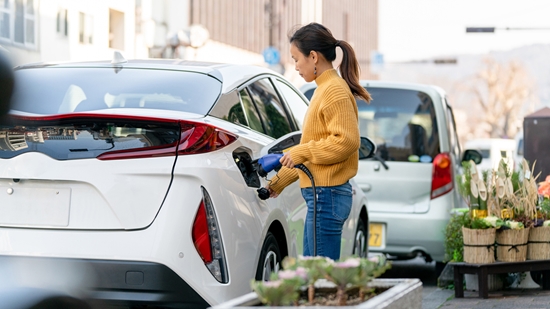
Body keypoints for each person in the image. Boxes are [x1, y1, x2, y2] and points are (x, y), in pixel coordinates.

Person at [264, 23, 372, 260]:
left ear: (313, 56)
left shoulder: (333, 90)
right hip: (322, 194)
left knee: (319, 277)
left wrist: (301, 152)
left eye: (296, 59)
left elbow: (346, 141)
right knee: (315, 271)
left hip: (326, 195)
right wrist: (278, 182)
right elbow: (313, 154)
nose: (296, 66)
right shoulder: (324, 89)